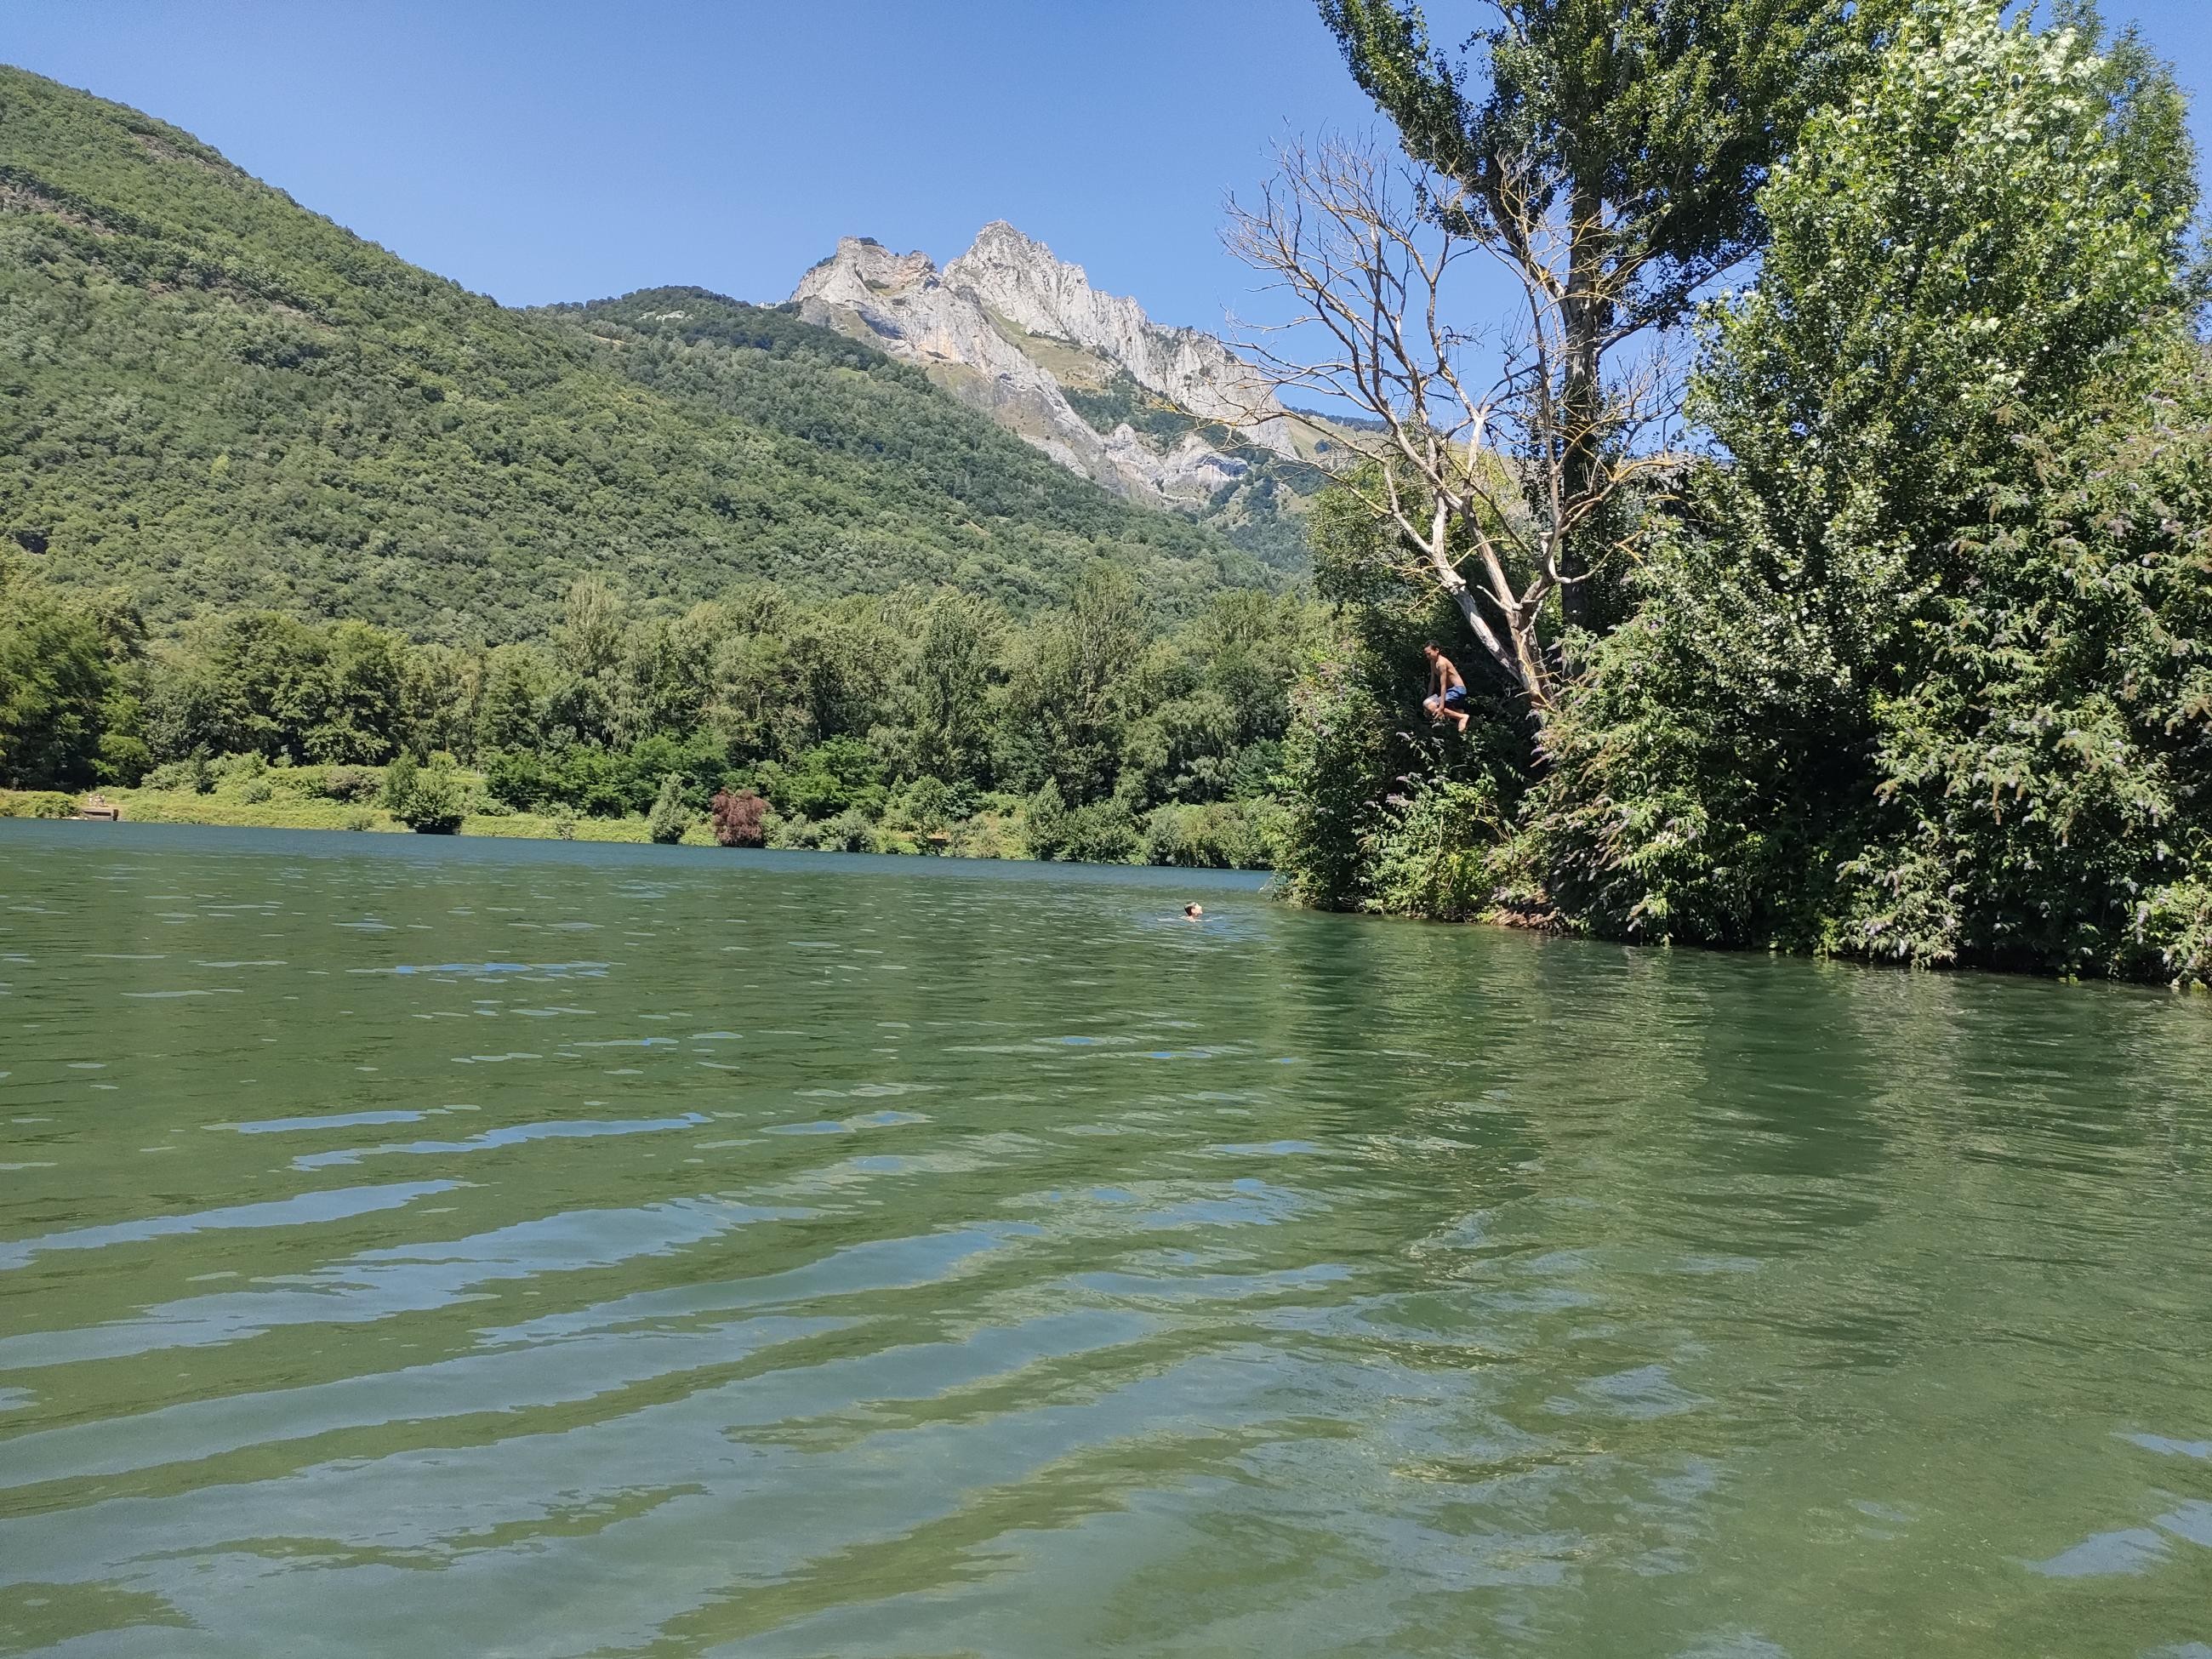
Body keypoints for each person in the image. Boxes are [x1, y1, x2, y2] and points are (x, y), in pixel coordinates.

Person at [1422, 642, 1471, 733]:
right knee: (1426, 703)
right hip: (1449, 691)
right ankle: (1457, 712)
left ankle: (1462, 717)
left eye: (1429, 654)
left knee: (1431, 706)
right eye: (1426, 654)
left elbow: (1443, 686)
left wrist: (1441, 707)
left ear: (1437, 650)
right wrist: (1428, 697)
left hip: (1458, 690)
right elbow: (1432, 682)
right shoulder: (1433, 662)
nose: (1428, 657)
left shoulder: (1441, 663)